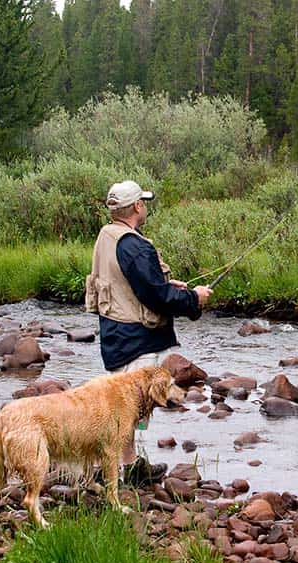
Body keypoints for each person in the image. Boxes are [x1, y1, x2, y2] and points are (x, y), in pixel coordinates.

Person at [86, 180, 212, 484]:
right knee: (132, 407)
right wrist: (194, 299)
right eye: (143, 202)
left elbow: (133, 284)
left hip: (114, 334)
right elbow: (157, 297)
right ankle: (117, 470)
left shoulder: (107, 236)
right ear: (138, 206)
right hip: (137, 337)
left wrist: (169, 286)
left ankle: (128, 465)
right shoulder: (134, 246)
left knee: (124, 404)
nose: (145, 206)